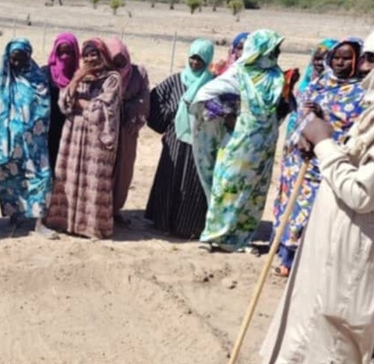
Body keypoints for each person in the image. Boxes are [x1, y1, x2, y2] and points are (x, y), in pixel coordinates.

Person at [259, 21, 374, 364]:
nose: (364, 66)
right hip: (341, 232)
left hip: (368, 238)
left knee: (342, 314)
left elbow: (365, 192)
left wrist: (326, 143)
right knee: (320, 307)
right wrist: (322, 142)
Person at [271, 37, 366, 276]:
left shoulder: (363, 92)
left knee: (317, 212)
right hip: (302, 158)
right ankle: (287, 258)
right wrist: (306, 129)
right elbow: (303, 110)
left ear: (357, 61)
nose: (340, 63)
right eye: (336, 57)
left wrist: (324, 120)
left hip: (331, 159)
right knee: (293, 208)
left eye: (347, 58)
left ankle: (308, 264)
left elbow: (358, 128)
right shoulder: (320, 82)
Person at [196, 29, 285, 252]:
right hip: (237, 142)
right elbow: (205, 96)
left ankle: (240, 240)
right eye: (273, 48)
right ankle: (213, 237)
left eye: (277, 49)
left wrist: (287, 97)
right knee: (227, 187)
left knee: (253, 193)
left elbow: (278, 109)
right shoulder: (240, 72)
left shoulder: (276, 76)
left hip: (263, 146)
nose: (277, 53)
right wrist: (227, 114)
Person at [45, 39, 122, 240]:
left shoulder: (112, 79)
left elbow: (104, 109)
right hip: (73, 134)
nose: (90, 58)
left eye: (94, 54)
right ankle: (66, 223)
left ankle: (92, 227)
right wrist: (77, 79)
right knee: (68, 177)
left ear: (103, 55)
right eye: (86, 55)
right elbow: (64, 104)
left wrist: (81, 104)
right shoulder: (79, 77)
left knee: (93, 178)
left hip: (97, 138)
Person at [144, 39, 215, 239]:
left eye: (200, 59)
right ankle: (162, 221)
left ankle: (187, 226)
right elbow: (154, 103)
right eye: (192, 57)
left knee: (192, 182)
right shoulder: (176, 80)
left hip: (199, 141)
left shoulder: (212, 84)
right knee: (170, 177)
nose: (195, 63)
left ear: (208, 60)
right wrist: (173, 115)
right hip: (175, 139)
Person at [0, 38, 55, 237]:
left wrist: (29, 127)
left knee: (41, 179)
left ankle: (39, 222)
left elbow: (44, 107)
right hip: (7, 143)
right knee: (10, 180)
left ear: (29, 56)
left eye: (21, 58)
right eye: (13, 59)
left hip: (34, 144)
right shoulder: (2, 80)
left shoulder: (38, 79)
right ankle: (15, 217)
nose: (17, 63)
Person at [106, 37, 150, 221]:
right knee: (105, 168)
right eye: (113, 62)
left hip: (127, 131)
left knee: (123, 169)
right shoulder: (103, 74)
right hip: (106, 130)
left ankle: (115, 210)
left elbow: (145, 98)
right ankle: (102, 210)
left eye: (121, 61)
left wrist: (129, 110)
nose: (118, 66)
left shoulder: (138, 74)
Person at [42, 32, 79, 174]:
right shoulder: (44, 73)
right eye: (61, 52)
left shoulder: (80, 77)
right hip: (47, 129)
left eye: (69, 52)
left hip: (71, 130)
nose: (65, 57)